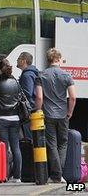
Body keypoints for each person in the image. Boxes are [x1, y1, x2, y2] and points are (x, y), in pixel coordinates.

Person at [35, 48, 76, 183]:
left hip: (48, 114)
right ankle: (59, 175)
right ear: (59, 59)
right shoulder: (66, 76)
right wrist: (69, 112)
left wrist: (38, 110)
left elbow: (39, 97)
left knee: (51, 144)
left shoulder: (41, 75)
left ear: (48, 60)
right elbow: (72, 97)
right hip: (63, 114)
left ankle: (56, 175)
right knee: (63, 144)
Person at [0, 58, 22, 183]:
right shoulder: (16, 83)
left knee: (4, 148)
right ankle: (17, 176)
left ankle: (5, 175)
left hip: (1, 119)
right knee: (16, 148)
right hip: (15, 119)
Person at [16, 52, 39, 140]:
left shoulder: (26, 75)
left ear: (23, 61)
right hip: (33, 109)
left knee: (28, 138)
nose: (17, 61)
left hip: (28, 111)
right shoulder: (33, 73)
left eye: (18, 59)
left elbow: (27, 94)